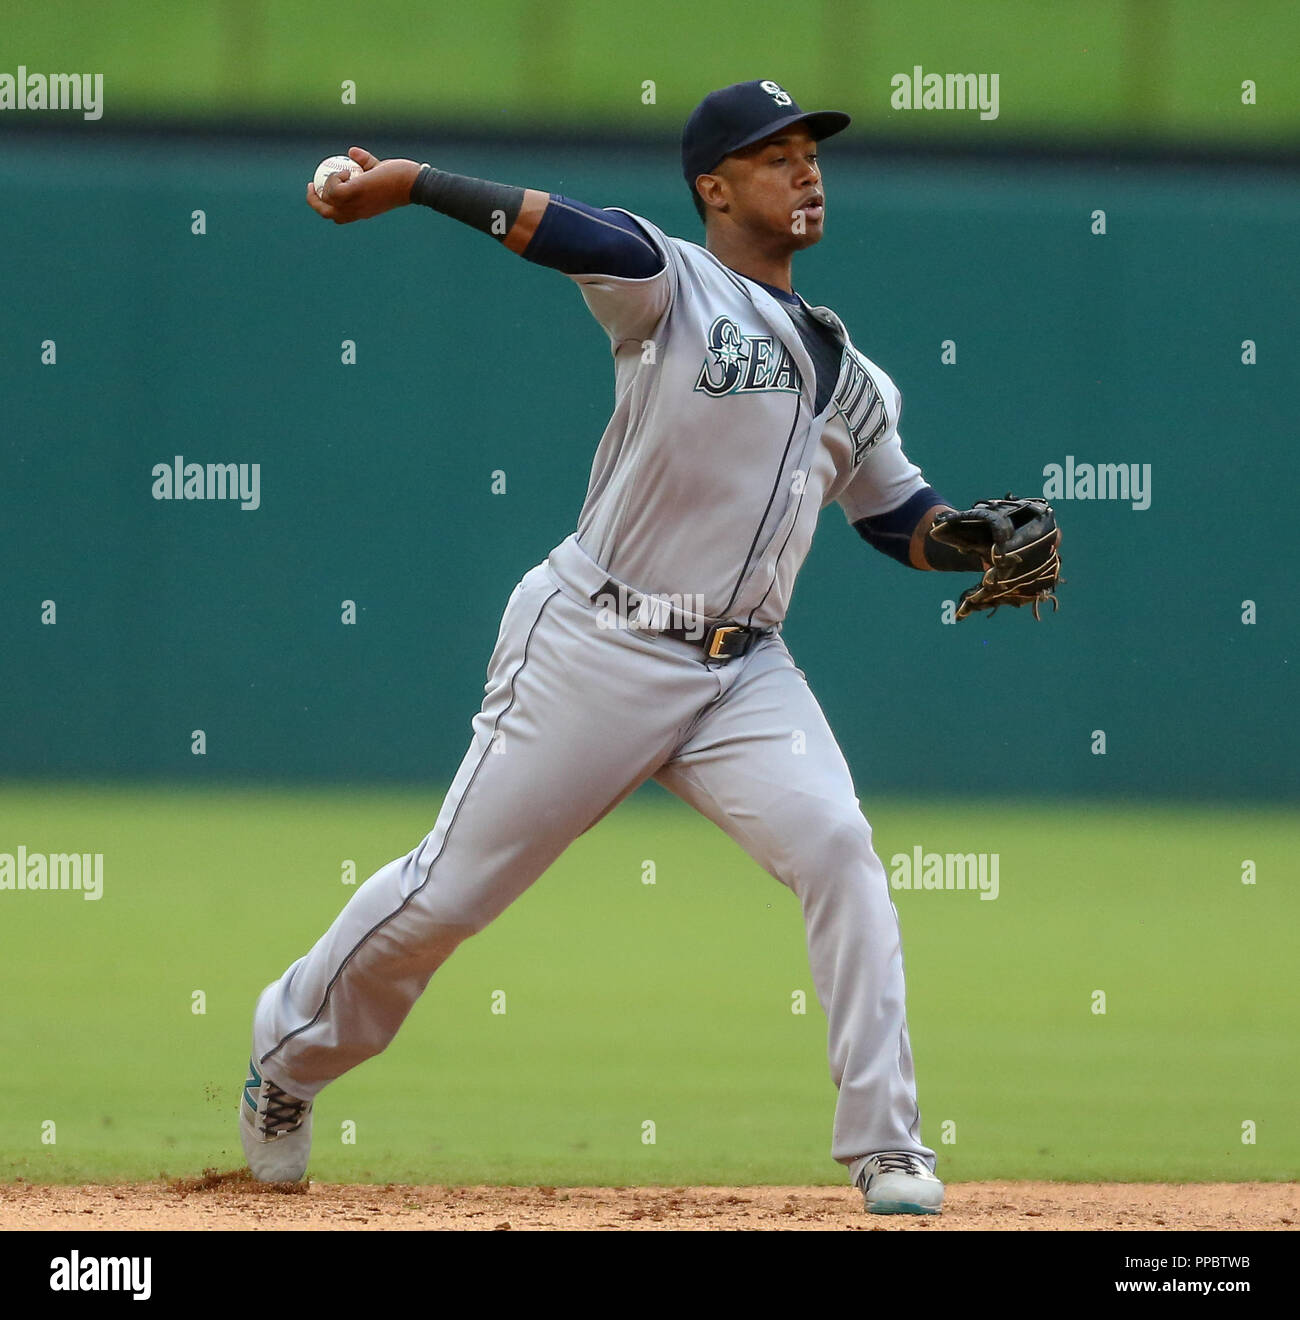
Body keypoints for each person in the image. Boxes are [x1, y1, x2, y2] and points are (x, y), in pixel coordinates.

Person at [239, 78, 1021, 1216]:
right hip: (594, 645)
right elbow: (569, 229)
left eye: (811, 152)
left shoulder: (853, 375)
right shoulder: (667, 284)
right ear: (713, 186)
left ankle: (886, 1144)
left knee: (838, 847)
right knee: (447, 897)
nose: (804, 171)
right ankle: (286, 1055)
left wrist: (972, 542)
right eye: (774, 156)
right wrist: (406, 183)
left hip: (742, 671)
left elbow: (900, 520)